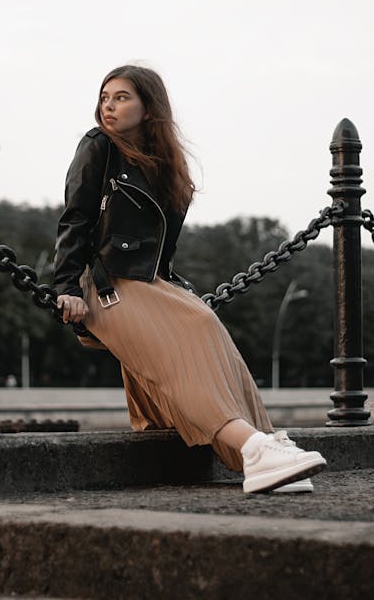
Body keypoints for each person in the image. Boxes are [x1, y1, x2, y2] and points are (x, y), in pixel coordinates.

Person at [53, 65, 326, 494]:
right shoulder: (98, 147)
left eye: (121, 97)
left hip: (149, 280)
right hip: (105, 283)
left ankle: (265, 444)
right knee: (189, 341)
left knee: (206, 324)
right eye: (105, 96)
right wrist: (67, 287)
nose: (108, 105)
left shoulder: (164, 166)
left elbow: (161, 248)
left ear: (148, 108)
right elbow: (76, 219)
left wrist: (176, 288)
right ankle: (251, 449)